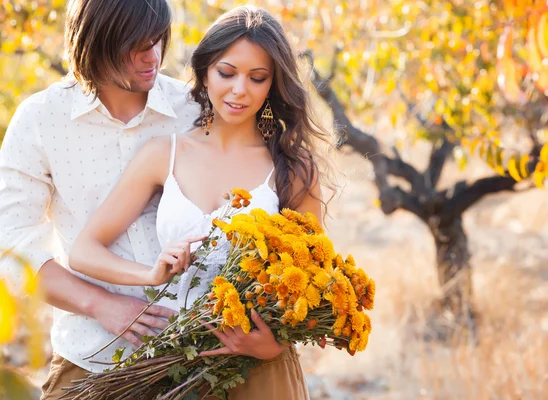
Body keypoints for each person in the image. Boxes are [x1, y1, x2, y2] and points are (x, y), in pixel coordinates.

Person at [69, 5, 336, 399]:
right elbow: (83, 251)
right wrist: (150, 275)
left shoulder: (293, 169)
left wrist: (272, 346)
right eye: (227, 73)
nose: (239, 90)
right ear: (205, 71)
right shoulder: (165, 153)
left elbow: (318, 280)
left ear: (272, 85)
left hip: (260, 372)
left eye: (257, 78)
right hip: (174, 368)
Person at [0, 0, 200, 399]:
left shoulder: (193, 109)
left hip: (197, 359)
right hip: (90, 357)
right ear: (94, 43)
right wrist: (102, 305)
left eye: (158, 39)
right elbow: (10, 245)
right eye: (136, 45)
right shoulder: (40, 119)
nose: (153, 56)